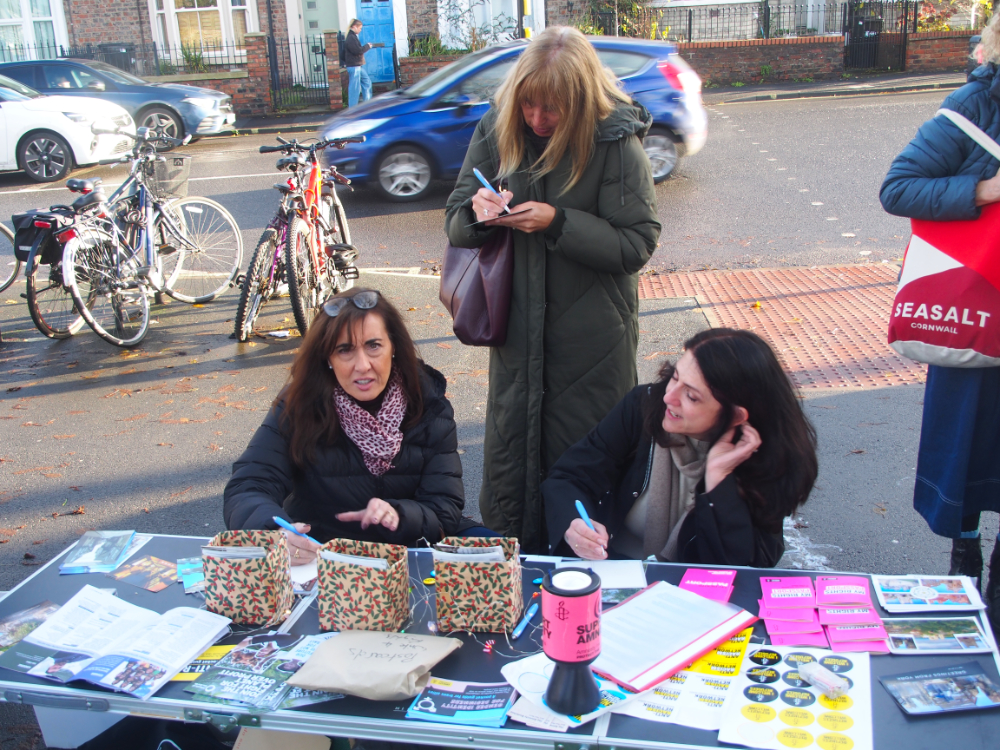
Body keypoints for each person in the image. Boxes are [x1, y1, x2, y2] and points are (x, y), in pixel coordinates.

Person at [444, 26, 661, 554]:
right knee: (514, 486)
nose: (537, 119)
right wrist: (477, 214)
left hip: (593, 350)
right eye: (529, 104)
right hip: (517, 343)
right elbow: (455, 221)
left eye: (553, 108)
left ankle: (586, 590)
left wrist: (558, 222)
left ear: (581, 101)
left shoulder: (615, 139)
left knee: (586, 495)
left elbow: (637, 243)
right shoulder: (498, 126)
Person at [880, 14, 1000, 638]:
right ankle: (965, 554)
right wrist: (984, 190)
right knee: (972, 456)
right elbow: (898, 188)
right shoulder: (976, 105)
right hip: (980, 316)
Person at [224, 288, 476, 563]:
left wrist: (400, 515)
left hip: (407, 552)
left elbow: (444, 509)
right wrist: (272, 533)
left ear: (393, 347)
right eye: (344, 350)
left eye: (373, 346)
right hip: (322, 554)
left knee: (498, 553)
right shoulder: (298, 405)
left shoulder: (428, 403)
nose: (362, 365)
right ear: (327, 358)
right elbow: (249, 486)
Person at [542, 328, 818, 567]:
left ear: (736, 416)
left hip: (695, 595)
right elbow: (571, 476)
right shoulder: (643, 407)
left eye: (692, 396)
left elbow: (744, 569)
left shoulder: (766, 460)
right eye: (675, 377)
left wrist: (718, 483)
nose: (669, 397)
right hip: (613, 572)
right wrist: (573, 525)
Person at [345, 19, 374, 107]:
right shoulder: (351, 38)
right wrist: (367, 46)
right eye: (360, 28)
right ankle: (353, 110)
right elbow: (357, 51)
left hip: (357, 66)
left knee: (367, 82)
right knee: (354, 89)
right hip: (354, 66)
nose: (361, 30)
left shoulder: (353, 37)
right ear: (354, 26)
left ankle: (367, 105)